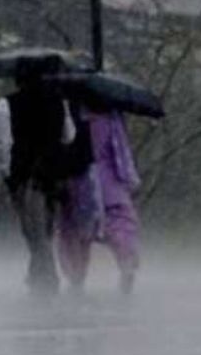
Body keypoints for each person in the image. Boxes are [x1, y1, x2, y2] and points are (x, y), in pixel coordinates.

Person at [0, 61, 91, 296]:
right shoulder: (59, 101)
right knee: (45, 228)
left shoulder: (7, 104)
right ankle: (36, 277)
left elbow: (2, 143)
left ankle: (47, 280)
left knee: (34, 231)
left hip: (25, 175)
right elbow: (69, 136)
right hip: (53, 175)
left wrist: (6, 172)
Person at [56, 104, 141, 294]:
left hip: (79, 180)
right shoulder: (111, 116)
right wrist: (129, 178)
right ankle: (126, 263)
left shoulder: (69, 112)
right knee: (120, 225)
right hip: (109, 181)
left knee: (74, 232)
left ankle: (76, 277)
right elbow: (120, 150)